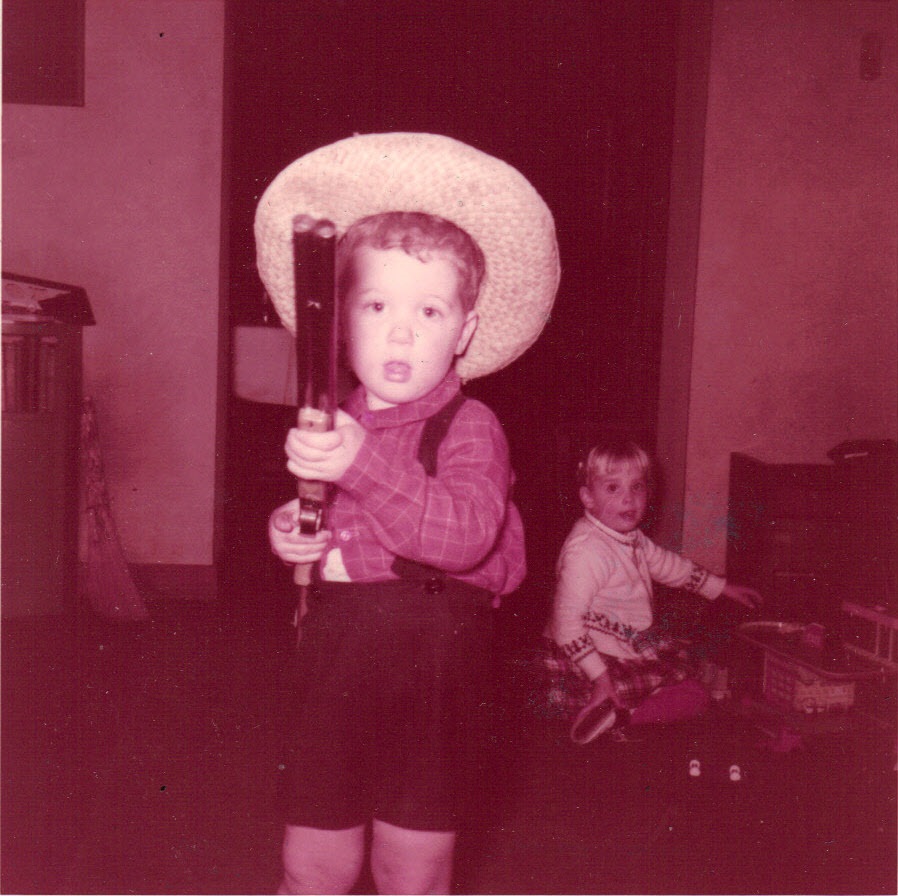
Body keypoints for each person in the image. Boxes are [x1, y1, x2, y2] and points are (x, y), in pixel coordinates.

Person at [254, 133, 559, 894]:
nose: (400, 330)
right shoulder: (332, 428)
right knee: (310, 865)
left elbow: (462, 536)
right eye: (377, 305)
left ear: (464, 332)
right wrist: (293, 529)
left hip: (435, 680)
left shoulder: (472, 426)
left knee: (411, 870)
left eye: (429, 310)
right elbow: (329, 532)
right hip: (336, 665)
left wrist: (357, 462)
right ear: (339, 324)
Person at [541, 438, 762, 744]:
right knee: (693, 695)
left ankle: (614, 712)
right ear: (587, 498)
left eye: (637, 487)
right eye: (613, 488)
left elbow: (667, 565)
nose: (628, 498)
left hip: (623, 641)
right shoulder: (586, 552)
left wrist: (720, 586)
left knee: (686, 678)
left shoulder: (630, 536)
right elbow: (566, 625)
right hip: (587, 655)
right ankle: (618, 713)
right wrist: (600, 678)